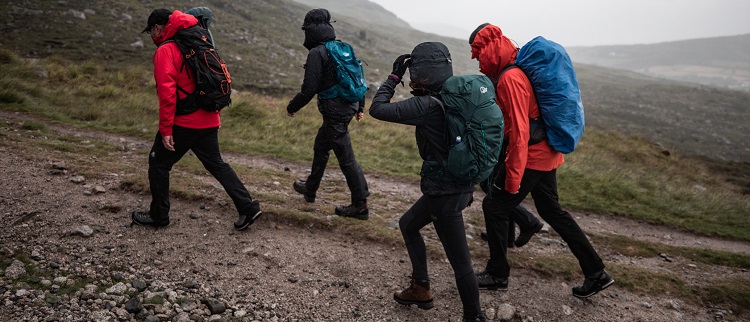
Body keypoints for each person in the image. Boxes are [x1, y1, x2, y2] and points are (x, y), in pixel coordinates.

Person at [469, 23, 614, 298]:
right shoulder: (514, 70)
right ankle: (596, 272)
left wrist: (511, 178)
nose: (477, 63)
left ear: (488, 51)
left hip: (532, 155)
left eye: (478, 56)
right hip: (546, 152)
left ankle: (497, 274)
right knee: (551, 210)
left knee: (494, 207)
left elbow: (520, 132)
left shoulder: (510, 78)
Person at [370, 42, 485, 322]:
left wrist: (394, 76)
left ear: (422, 70)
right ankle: (420, 289)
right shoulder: (455, 95)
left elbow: (377, 108)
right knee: (408, 224)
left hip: (444, 192)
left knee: (461, 263)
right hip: (457, 184)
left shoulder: (427, 105)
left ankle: (474, 316)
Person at [131, 9, 263, 231]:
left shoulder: (167, 50)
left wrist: (166, 129)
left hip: (185, 122)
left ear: (157, 27)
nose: (152, 37)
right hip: (210, 118)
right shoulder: (200, 40)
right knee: (217, 164)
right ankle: (248, 208)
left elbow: (167, 93)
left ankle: (159, 216)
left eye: (152, 32)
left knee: (159, 164)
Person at [287, 8, 370, 220]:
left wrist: (292, 107)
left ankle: (360, 204)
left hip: (335, 112)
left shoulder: (317, 53)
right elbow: (357, 77)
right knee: (321, 145)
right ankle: (310, 189)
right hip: (347, 107)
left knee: (346, 157)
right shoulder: (342, 47)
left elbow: (309, 88)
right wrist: (359, 106)